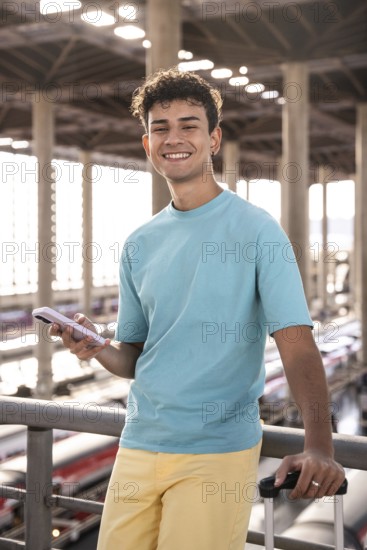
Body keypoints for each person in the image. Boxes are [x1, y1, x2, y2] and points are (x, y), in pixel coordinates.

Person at [51, 67, 345, 550]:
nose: (174, 137)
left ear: (214, 139)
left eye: (189, 125)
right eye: (160, 128)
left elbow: (295, 344)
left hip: (217, 451)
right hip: (139, 443)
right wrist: (96, 346)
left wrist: (319, 446)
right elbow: (133, 357)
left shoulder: (257, 230)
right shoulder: (139, 243)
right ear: (146, 145)